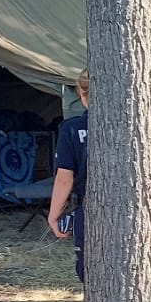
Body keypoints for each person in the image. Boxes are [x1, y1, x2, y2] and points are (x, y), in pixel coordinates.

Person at [48, 70, 89, 280]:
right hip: (132, 210)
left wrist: (53, 215)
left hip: (89, 209)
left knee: (89, 269)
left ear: (81, 93)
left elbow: (64, 178)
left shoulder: (71, 129)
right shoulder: (133, 124)